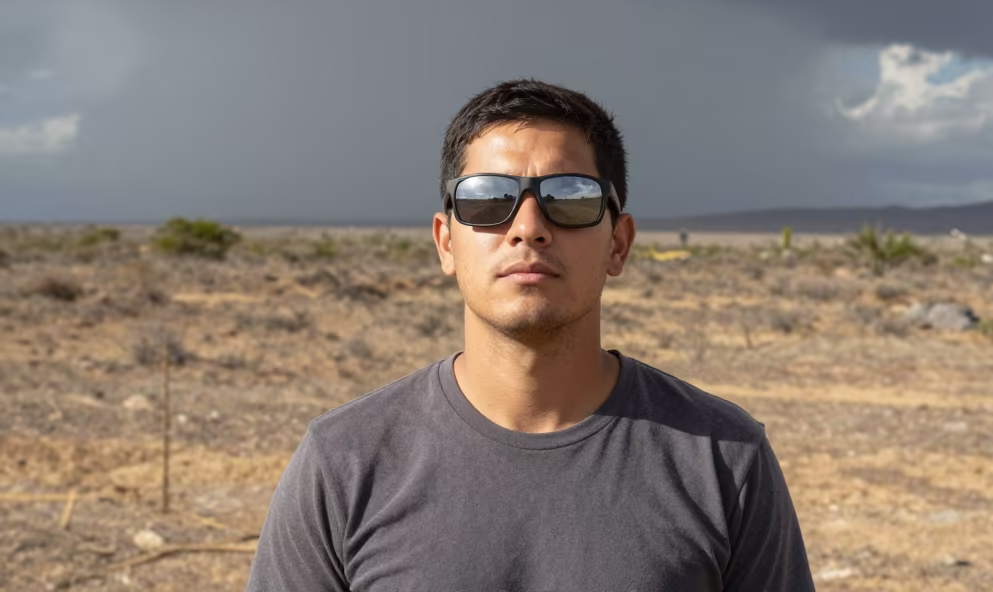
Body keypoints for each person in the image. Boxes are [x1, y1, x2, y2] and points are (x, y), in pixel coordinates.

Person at [247, 78, 815, 591]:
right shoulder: (344, 461)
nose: (528, 228)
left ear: (618, 244)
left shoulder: (724, 458)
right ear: (446, 242)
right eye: (486, 199)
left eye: (570, 198)